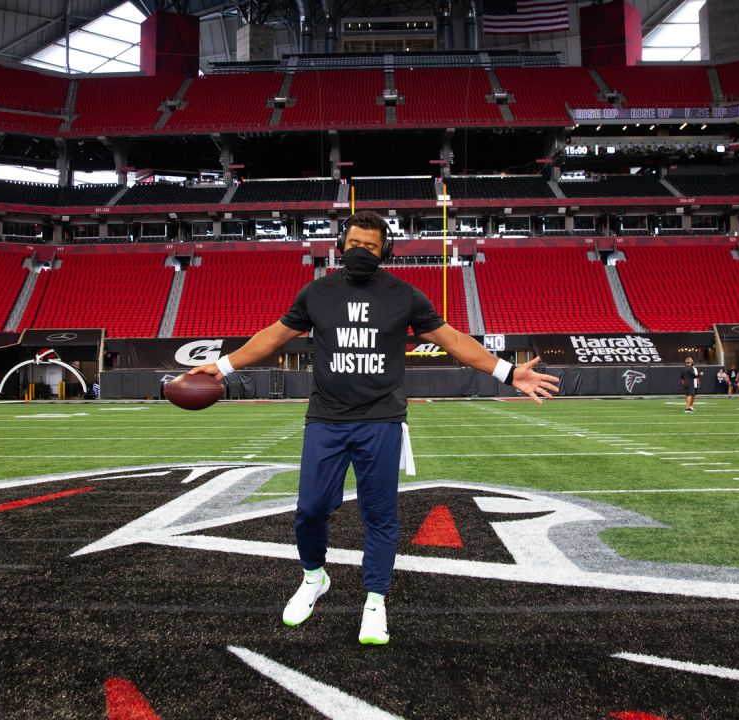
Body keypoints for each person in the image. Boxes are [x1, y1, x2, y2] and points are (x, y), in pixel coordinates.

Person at [187, 210, 558, 645]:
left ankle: (375, 601)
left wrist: (508, 373)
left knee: (379, 517)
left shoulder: (404, 295)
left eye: (370, 246)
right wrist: (225, 365)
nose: (361, 251)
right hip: (326, 419)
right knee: (309, 510)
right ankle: (313, 578)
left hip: (380, 421)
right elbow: (274, 335)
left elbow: (453, 339)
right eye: (355, 244)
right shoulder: (317, 292)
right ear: (341, 246)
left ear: (386, 250)